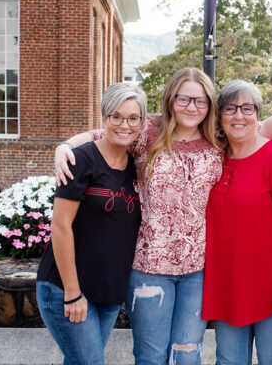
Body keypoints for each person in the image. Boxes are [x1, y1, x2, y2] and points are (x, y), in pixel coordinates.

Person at [54, 68, 223, 365]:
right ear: (171, 99)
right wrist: (65, 146)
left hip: (197, 270)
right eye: (183, 99)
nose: (191, 107)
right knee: (151, 356)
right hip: (148, 267)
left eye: (200, 100)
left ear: (210, 104)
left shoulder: (218, 140)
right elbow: (98, 135)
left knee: (188, 354)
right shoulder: (147, 132)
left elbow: (257, 129)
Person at [36, 82, 146, 364]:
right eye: (116, 116)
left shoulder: (136, 165)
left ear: (142, 122)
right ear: (104, 118)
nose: (125, 125)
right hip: (66, 287)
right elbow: (60, 226)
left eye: (133, 118)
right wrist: (73, 293)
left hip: (108, 290)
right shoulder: (81, 160)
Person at [202, 80, 272, 364]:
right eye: (230, 109)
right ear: (219, 116)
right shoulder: (212, 158)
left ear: (258, 115)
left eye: (247, 108)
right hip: (227, 287)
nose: (239, 116)